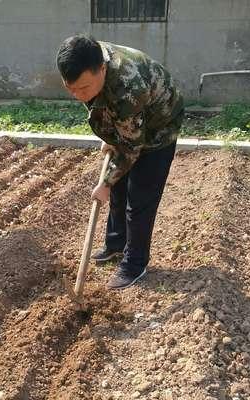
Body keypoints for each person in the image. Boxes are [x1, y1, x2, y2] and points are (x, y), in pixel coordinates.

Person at [56, 35, 184, 290]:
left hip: (159, 127)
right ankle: (115, 244)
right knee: (118, 189)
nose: (77, 95)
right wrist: (111, 134)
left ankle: (135, 264)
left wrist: (104, 182)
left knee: (139, 200)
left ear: (102, 69)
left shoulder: (128, 87)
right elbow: (101, 106)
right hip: (132, 121)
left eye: (83, 88)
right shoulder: (87, 58)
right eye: (71, 88)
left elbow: (131, 149)